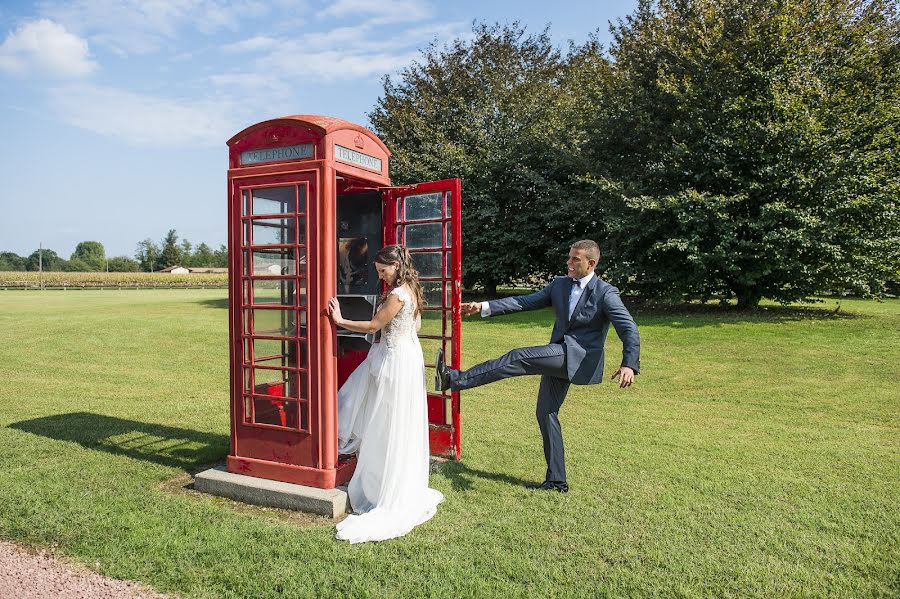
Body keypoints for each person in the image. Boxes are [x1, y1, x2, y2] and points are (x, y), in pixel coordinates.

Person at [435, 240, 640, 493]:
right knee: (546, 414)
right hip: (560, 354)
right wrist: (483, 306)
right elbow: (525, 302)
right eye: (569, 257)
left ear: (592, 263)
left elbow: (628, 327)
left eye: (575, 259)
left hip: (578, 357)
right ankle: (556, 481)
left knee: (519, 356)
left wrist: (629, 364)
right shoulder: (560, 284)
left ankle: (454, 379)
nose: (569, 263)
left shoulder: (606, 293)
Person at [326, 244, 444, 543]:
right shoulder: (411, 289)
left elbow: (374, 324)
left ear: (396, 266)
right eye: (377, 271)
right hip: (404, 355)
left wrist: (339, 320)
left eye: (383, 270)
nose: (380, 276)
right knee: (390, 417)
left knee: (384, 418)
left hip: (394, 360)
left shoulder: (396, 294)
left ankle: (383, 483)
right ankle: (387, 473)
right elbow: (414, 325)